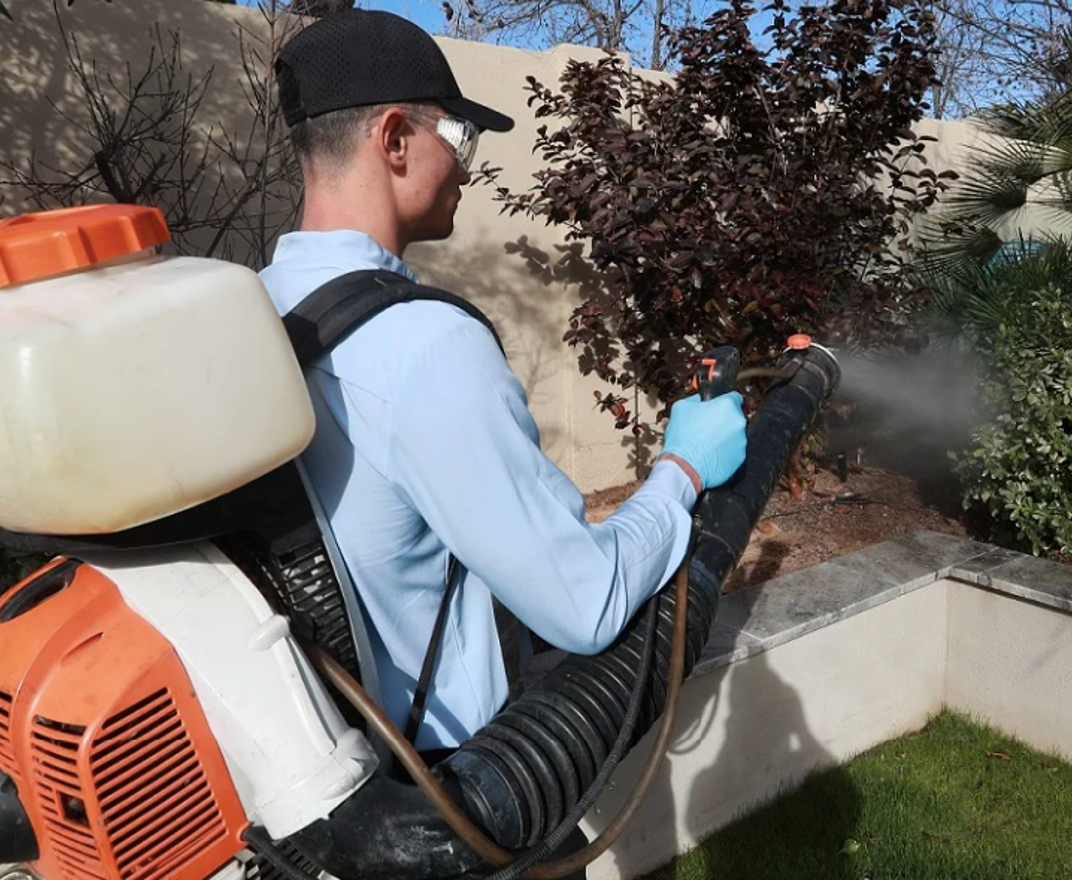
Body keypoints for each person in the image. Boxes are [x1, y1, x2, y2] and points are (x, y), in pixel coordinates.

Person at [262, 10, 748, 754]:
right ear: (394, 140)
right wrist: (683, 469)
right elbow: (585, 600)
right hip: (455, 797)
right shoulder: (424, 346)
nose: (468, 165)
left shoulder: (260, 308)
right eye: (459, 137)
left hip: (327, 769)